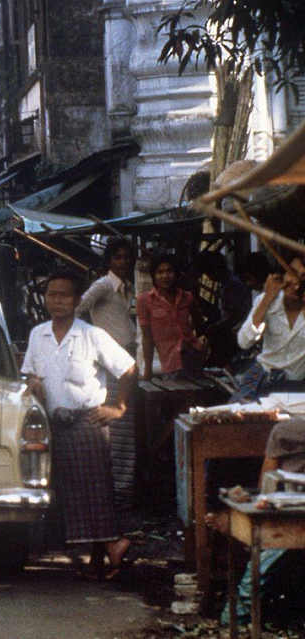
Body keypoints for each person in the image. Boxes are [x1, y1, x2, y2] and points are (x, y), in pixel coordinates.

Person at [23, 268, 138, 579]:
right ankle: (98, 560)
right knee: (73, 492)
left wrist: (119, 407)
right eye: (52, 294)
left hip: (87, 420)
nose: (57, 300)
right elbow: (29, 373)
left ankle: (115, 546)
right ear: (45, 299)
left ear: (76, 301)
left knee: (96, 490)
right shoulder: (38, 334)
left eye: (65, 295)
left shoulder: (91, 335)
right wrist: (33, 381)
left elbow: (129, 369)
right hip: (52, 423)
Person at [210, 418, 305, 626]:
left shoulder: (286, 430)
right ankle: (236, 618)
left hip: (291, 518)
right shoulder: (287, 431)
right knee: (270, 556)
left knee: (269, 557)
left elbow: (265, 484)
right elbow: (266, 486)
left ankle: (235, 618)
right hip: (292, 512)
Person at [233, 260, 305, 401]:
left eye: (303, 277)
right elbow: (245, 342)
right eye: (293, 274)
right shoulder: (266, 300)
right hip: (262, 377)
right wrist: (267, 298)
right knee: (235, 419)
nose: (297, 283)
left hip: (298, 385)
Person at [137, 252, 204, 379]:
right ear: (154, 275)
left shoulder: (187, 297)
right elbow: (147, 338)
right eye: (160, 272)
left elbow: (199, 321)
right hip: (170, 364)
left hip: (193, 358)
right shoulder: (144, 300)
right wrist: (147, 372)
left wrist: (196, 343)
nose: (165, 276)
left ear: (176, 274)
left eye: (169, 271)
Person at [193, 250, 252, 368]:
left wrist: (215, 326)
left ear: (215, 270)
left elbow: (236, 315)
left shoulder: (232, 284)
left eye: (209, 273)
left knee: (214, 331)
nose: (209, 277)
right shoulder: (225, 283)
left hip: (237, 327)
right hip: (229, 322)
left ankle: (220, 363)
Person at [78, 238, 137, 354]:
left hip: (130, 349)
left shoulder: (128, 286)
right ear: (109, 262)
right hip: (110, 353)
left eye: (126, 257)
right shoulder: (103, 285)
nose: (123, 262)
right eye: (117, 258)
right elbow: (76, 309)